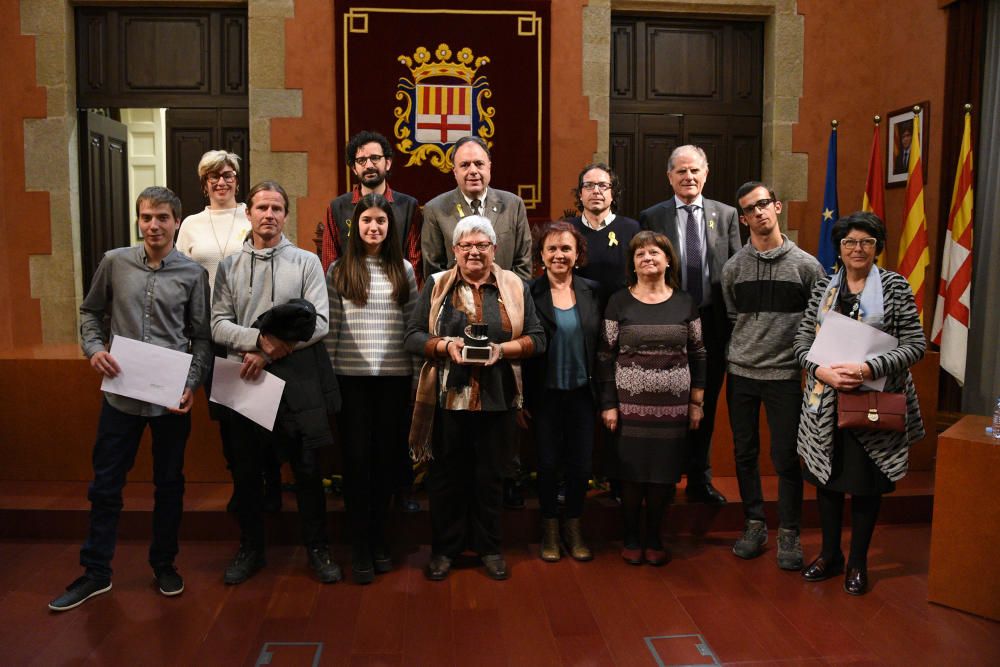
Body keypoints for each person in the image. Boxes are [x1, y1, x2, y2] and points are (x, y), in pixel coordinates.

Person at [49, 187, 211, 611]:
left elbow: (201, 337)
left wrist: (190, 384)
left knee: (169, 485)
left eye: (161, 217)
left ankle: (164, 564)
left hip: (169, 400)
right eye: (145, 217)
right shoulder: (114, 262)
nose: (153, 225)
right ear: (138, 221)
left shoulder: (193, 275)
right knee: (105, 485)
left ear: (177, 222)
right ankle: (96, 572)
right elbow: (90, 311)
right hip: (120, 397)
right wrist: (94, 348)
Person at [212, 181, 342, 585]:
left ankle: (317, 549)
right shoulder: (229, 266)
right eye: (261, 207)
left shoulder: (306, 262)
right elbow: (217, 323)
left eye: (277, 208)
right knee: (248, 471)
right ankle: (251, 548)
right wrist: (256, 342)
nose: (269, 215)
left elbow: (321, 322)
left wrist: (272, 349)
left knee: (306, 469)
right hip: (244, 378)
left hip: (297, 380)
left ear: (286, 216)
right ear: (248, 213)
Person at [405, 216, 545, 581]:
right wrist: (447, 345)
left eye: (482, 245)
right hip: (446, 401)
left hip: (498, 399)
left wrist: (503, 349)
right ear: (454, 251)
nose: (474, 252)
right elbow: (413, 336)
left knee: (490, 478)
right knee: (446, 479)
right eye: (466, 245)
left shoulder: (514, 285)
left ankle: (489, 548)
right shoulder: (436, 286)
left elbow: (537, 338)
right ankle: (445, 551)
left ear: (494, 249)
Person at [795, 211, 926, 596]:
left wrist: (868, 367)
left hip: (875, 401)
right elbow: (802, 344)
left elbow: (915, 345)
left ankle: (857, 563)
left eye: (866, 242)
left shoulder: (895, 286)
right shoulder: (823, 289)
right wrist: (823, 373)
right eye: (850, 242)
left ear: (876, 247)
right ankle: (830, 554)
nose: (857, 249)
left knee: (866, 485)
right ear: (839, 247)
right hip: (826, 405)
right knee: (828, 481)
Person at [722, 182, 825, 569]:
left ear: (777, 206)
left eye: (764, 204)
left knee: (784, 457)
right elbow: (734, 317)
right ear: (744, 218)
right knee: (744, 452)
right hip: (742, 374)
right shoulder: (733, 267)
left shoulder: (807, 266)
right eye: (750, 208)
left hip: (784, 375)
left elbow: (819, 321)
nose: (759, 212)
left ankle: (789, 532)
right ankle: (753, 524)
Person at [175, 150, 282, 514]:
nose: (222, 182)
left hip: (256, 333)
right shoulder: (190, 224)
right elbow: (179, 277)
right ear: (204, 184)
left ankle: (271, 481)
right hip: (212, 333)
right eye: (213, 176)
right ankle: (242, 483)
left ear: (238, 179)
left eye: (228, 175)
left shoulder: (255, 213)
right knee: (229, 417)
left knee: (263, 413)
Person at [325, 193, 419, 584]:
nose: (374, 227)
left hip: (394, 382)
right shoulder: (338, 270)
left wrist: (416, 381)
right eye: (367, 221)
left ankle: (380, 541)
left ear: (390, 226)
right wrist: (329, 383)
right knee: (357, 465)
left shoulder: (405, 270)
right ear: (355, 226)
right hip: (351, 381)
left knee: (385, 465)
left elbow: (413, 328)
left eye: (381, 221)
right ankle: (360, 546)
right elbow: (331, 331)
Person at [597, 231, 707, 566]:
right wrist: (608, 403)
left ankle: (655, 536)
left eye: (655, 252)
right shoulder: (619, 301)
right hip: (628, 405)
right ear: (633, 263)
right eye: (641, 253)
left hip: (673, 406)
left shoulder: (685, 301)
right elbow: (604, 355)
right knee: (631, 475)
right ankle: (632, 536)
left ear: (668, 259)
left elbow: (699, 352)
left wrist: (696, 401)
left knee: (663, 473)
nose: (648, 258)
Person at [639, 145, 740, 505]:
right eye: (681, 171)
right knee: (667, 399)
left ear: (706, 173)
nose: (689, 177)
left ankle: (700, 478)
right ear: (670, 176)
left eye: (695, 170)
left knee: (705, 400)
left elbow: (734, 273)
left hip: (712, 321)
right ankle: (665, 478)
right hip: (668, 320)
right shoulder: (652, 216)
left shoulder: (727, 216)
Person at [522, 222, 602, 562]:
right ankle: (550, 529)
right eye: (552, 248)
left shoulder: (594, 291)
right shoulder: (528, 292)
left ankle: (574, 525)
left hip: (583, 395)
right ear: (541, 254)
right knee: (549, 464)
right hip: (544, 395)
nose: (559, 255)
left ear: (577, 254)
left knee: (581, 466)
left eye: (566, 248)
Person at [421, 136, 532, 281]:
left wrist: (504, 296)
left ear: (489, 167)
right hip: (457, 300)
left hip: (506, 299)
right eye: (465, 165)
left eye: (479, 164)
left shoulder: (513, 205)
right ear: (455, 171)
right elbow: (434, 271)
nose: (473, 171)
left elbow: (523, 264)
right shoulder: (435, 210)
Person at [320, 130, 422, 285]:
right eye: (361, 160)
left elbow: (415, 263)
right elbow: (330, 262)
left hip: (397, 294)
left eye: (374, 158)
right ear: (354, 168)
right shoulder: (337, 207)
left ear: (387, 163)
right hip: (351, 293)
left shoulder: (408, 206)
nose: (368, 165)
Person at [568, 163, 641, 307]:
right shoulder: (567, 229)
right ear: (580, 194)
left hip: (622, 311)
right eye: (589, 185)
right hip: (578, 311)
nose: (596, 191)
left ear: (613, 194)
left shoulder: (631, 229)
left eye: (603, 185)